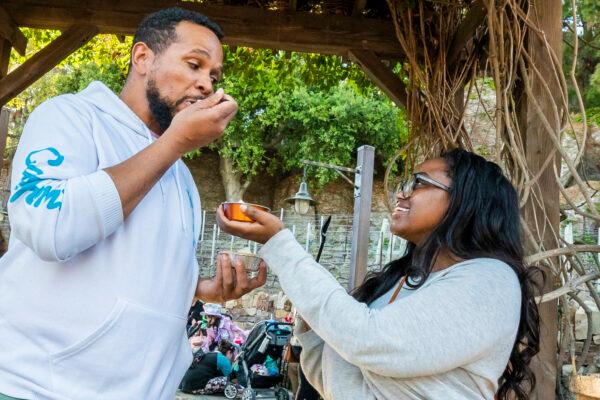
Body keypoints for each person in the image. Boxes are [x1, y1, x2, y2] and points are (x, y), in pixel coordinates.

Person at [0, 7, 266, 400]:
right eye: (194, 64)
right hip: (36, 387)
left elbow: (133, 269)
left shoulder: (182, 179)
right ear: (142, 58)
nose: (207, 85)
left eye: (214, 77)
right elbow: (48, 227)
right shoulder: (70, 117)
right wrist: (174, 143)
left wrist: (202, 289)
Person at [217, 149, 542, 400]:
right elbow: (341, 381)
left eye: (418, 183)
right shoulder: (401, 283)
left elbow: (366, 340)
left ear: (466, 200)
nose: (401, 193)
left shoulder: (489, 281)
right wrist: (312, 327)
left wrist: (279, 243)